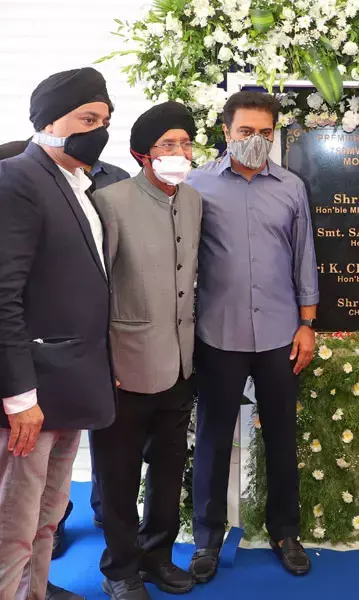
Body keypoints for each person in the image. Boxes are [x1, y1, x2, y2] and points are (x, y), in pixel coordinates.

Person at [186, 91, 318, 582]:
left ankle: (285, 532)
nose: (256, 141)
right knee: (214, 439)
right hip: (218, 334)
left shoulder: (290, 187)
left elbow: (304, 256)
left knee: (282, 437)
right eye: (246, 132)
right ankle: (206, 540)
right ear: (226, 132)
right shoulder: (196, 186)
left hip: (281, 333)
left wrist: (307, 323)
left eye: (266, 133)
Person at [0, 67, 116, 600]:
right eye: (88, 119)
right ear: (49, 122)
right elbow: (5, 295)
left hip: (72, 387)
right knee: (13, 530)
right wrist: (20, 397)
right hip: (34, 396)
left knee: (48, 518)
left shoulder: (78, 185)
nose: (100, 130)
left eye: (106, 120)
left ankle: (37, 593)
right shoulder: (18, 180)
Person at [89, 102, 201, 600]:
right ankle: (120, 568)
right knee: (118, 476)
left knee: (169, 468)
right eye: (167, 145)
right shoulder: (109, 202)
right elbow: (95, 288)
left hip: (179, 362)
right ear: (142, 154)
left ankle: (157, 556)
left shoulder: (194, 200)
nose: (180, 153)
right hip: (124, 365)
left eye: (185, 143)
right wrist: (101, 361)